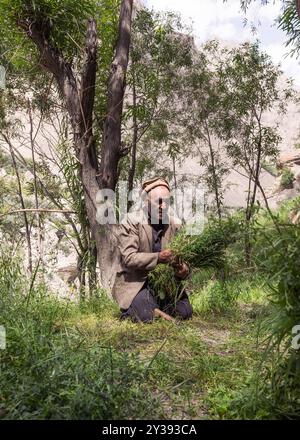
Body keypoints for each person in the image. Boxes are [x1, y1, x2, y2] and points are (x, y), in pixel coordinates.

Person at [111, 177, 193, 323]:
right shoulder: (130, 221)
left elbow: (183, 259)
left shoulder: (175, 225)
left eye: (167, 202)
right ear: (145, 202)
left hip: (164, 283)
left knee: (185, 312)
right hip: (137, 282)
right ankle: (138, 309)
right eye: (159, 202)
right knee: (145, 314)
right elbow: (129, 258)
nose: (163, 206)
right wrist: (158, 257)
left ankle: (155, 308)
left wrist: (183, 270)